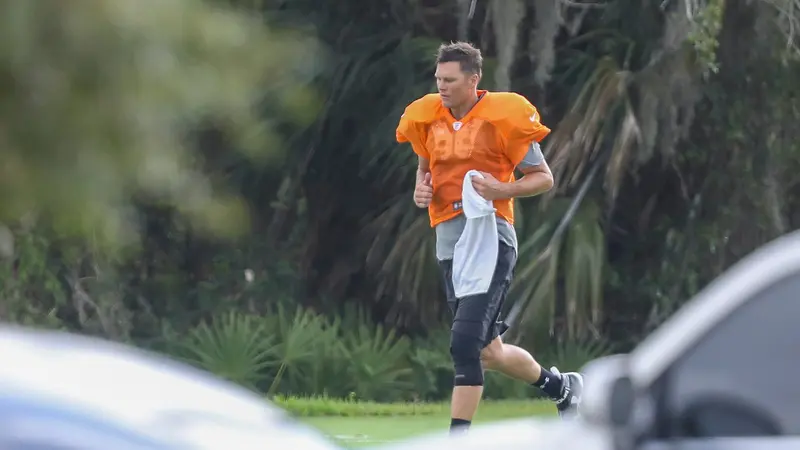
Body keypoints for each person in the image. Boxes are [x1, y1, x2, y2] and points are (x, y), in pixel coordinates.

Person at [395, 41, 583, 434]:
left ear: (473, 80)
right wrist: (420, 190)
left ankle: (458, 436)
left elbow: (543, 178)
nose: (441, 86)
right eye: (438, 79)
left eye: (450, 80)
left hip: (490, 241)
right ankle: (561, 388)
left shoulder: (501, 117)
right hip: (449, 243)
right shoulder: (427, 117)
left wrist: (502, 189)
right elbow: (424, 168)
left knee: (464, 344)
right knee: (487, 352)